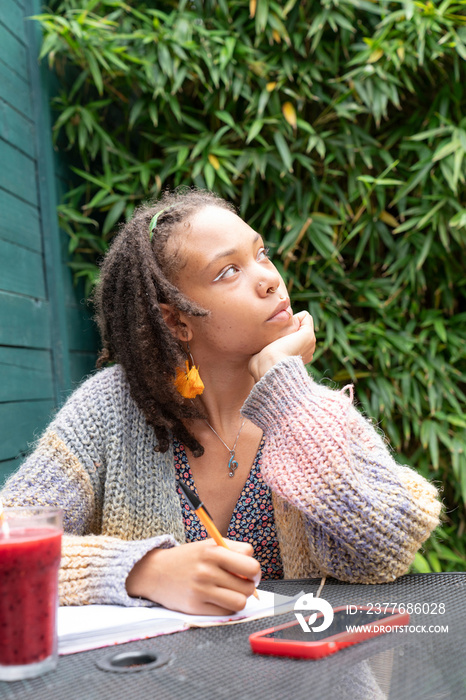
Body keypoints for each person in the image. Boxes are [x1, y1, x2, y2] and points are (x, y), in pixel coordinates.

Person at [1, 188, 442, 615]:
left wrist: (284, 390)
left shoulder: (306, 411)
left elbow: (388, 548)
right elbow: (8, 543)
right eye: (228, 272)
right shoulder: (111, 411)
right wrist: (143, 571)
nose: (269, 279)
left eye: (261, 253)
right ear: (176, 320)